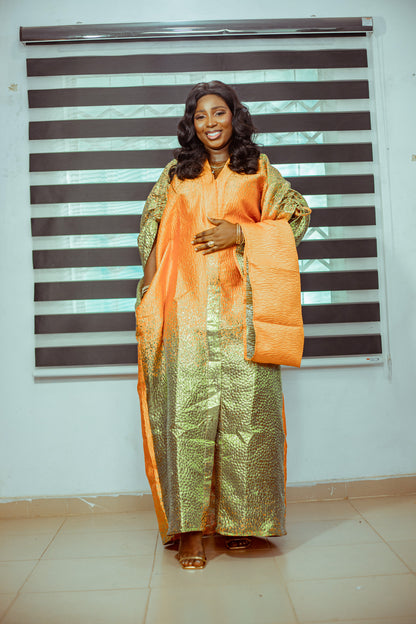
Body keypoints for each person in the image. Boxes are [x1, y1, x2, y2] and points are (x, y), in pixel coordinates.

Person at [135, 80, 311, 570]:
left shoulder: (257, 169)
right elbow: (150, 228)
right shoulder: (176, 174)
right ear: (190, 124)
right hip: (185, 312)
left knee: (247, 418)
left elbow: (296, 215)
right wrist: (151, 299)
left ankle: (242, 522)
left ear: (236, 115)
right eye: (200, 116)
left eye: (219, 113)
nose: (210, 124)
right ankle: (190, 531)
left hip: (243, 309)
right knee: (185, 419)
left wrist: (243, 233)